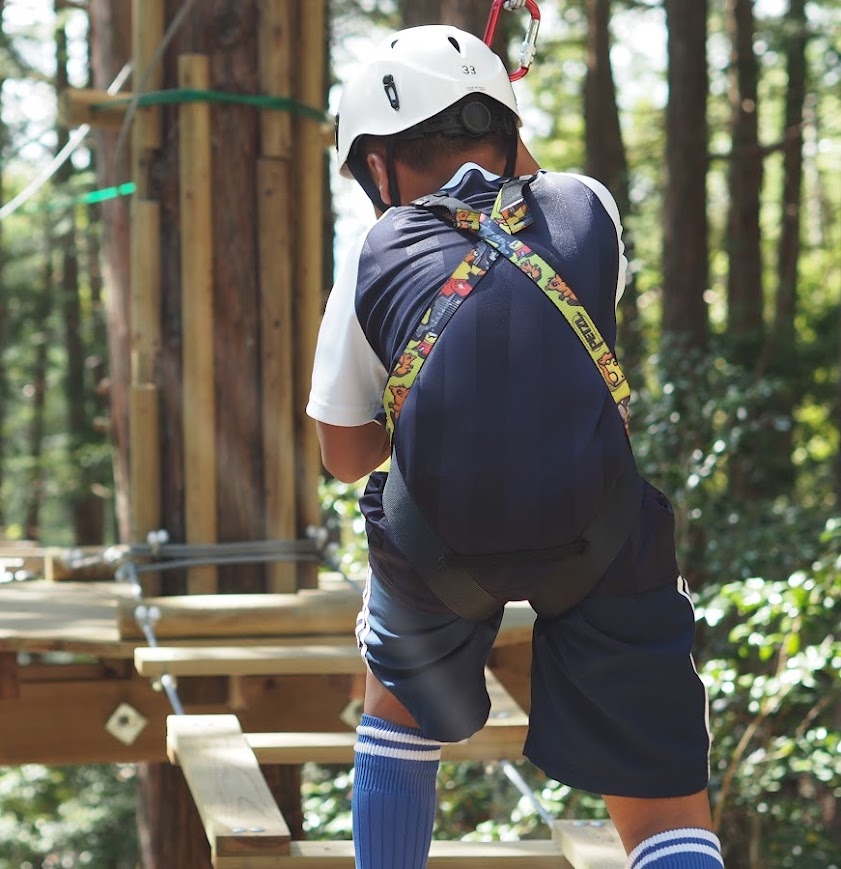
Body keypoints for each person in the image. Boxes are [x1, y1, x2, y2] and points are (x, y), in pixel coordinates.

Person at [307, 24, 722, 869]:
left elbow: (345, 455)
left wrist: (415, 409)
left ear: (376, 165)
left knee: (394, 701)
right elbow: (530, 226)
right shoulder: (589, 207)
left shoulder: (372, 254)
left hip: (437, 554)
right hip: (600, 535)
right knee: (662, 792)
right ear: (506, 127)